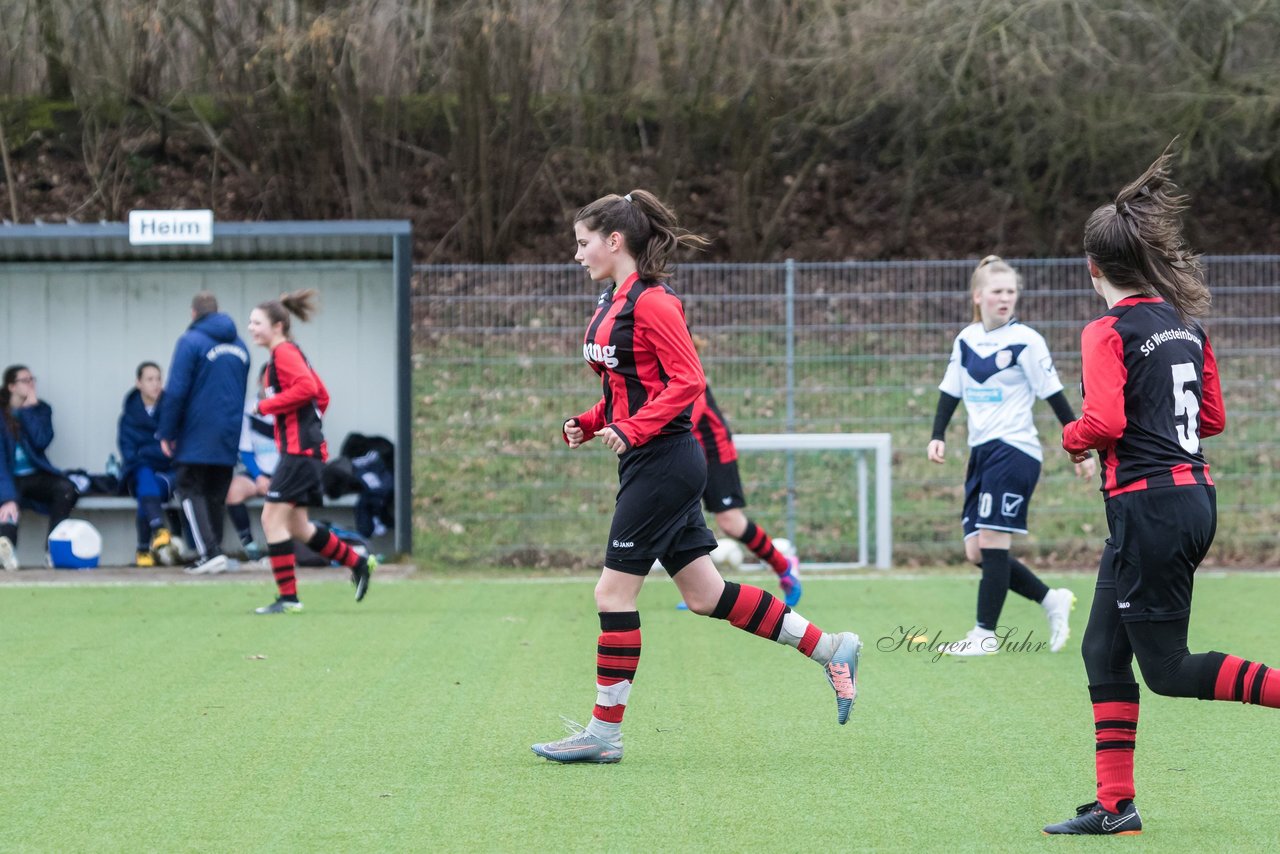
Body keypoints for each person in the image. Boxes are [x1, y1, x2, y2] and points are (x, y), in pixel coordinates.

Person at [530, 190, 862, 764]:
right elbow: (627, 386)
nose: (577, 254)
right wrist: (588, 422)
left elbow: (686, 383)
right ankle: (831, 648)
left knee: (611, 592)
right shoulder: (613, 299)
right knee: (707, 595)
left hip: (664, 462)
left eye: (583, 243)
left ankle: (603, 734)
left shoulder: (655, 303)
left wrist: (633, 430)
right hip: (651, 459)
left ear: (615, 242)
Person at [1042, 146, 1280, 836]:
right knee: (1101, 650)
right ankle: (1117, 806)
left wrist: (1073, 438)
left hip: (1149, 506)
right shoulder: (1185, 324)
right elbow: (1212, 420)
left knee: (1168, 668)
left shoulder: (1106, 329)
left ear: (1092, 268)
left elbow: (1106, 419)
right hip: (1185, 499)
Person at [927, 256, 1094, 656]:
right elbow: (951, 390)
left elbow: (1054, 395)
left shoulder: (1028, 341)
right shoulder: (966, 339)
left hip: (1016, 450)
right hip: (981, 452)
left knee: (991, 539)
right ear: (978, 295)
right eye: (997, 292)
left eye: (1011, 292)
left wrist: (1080, 448)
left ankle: (984, 634)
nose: (1005, 299)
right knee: (976, 552)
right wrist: (938, 435)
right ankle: (1050, 599)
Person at [246, 289, 374, 614]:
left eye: (256, 322)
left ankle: (289, 599)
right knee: (299, 526)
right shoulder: (287, 353)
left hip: (299, 453)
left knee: (270, 517)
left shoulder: (284, 353)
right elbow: (323, 396)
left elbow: (309, 389)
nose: (251, 328)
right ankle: (356, 561)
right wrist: (307, 423)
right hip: (305, 449)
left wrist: (268, 406)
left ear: (277, 326)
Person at [156, 291, 250, 575]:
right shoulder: (241, 347)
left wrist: (166, 431)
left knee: (188, 488)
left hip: (196, 432)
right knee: (214, 493)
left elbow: (176, 391)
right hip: (229, 432)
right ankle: (215, 551)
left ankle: (209, 552)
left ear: (194, 313)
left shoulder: (190, 341)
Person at [686, 379, 802, 606]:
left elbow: (691, 413)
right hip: (683, 454)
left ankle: (783, 566)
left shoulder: (687, 368)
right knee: (680, 517)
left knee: (730, 521)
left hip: (715, 453)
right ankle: (699, 588)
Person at [0, 365, 80, 570]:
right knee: (7, 503)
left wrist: (30, 411)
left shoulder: (41, 409)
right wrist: (8, 497)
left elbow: (41, 441)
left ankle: (52, 551)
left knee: (65, 489)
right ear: (11, 386)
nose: (31, 384)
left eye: (32, 379)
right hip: (7, 477)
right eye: (25, 380)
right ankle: (6, 551)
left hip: (35, 476)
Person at [117, 361, 179, 566]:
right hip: (135, 475)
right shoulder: (128, 416)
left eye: (158, 379)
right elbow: (129, 454)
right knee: (143, 474)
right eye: (149, 379)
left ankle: (143, 548)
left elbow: (173, 451)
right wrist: (156, 451)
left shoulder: (172, 411)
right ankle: (158, 530)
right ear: (138, 383)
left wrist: (146, 451)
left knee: (148, 485)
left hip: (168, 475)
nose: (155, 384)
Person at [225, 366, 277, 560]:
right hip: (258, 473)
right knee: (232, 492)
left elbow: (292, 451)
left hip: (283, 474)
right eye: (267, 380)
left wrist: (278, 478)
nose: (270, 386)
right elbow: (245, 450)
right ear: (258, 381)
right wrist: (259, 477)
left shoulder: (288, 408)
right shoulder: (248, 408)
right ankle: (251, 546)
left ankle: (281, 549)